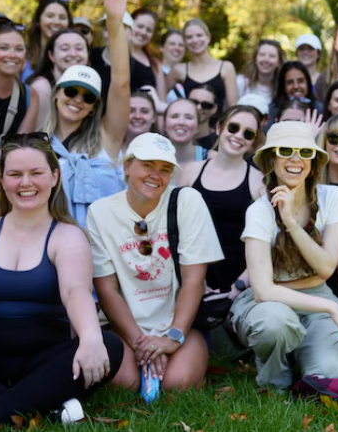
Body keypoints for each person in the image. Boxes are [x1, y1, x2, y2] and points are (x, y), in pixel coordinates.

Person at [0, 133, 123, 425]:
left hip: (45, 361)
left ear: (53, 176)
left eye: (36, 173)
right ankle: (45, 407)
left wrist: (90, 336)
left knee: (110, 345)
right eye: (15, 174)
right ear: (2, 181)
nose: (25, 183)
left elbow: (75, 291)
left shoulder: (67, 235)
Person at [230, 121, 338, 388]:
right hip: (269, 305)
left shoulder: (333, 197)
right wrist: (332, 305)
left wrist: (290, 221)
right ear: (271, 159)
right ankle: (274, 372)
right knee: (275, 324)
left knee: (331, 372)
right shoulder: (259, 211)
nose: (296, 159)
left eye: (305, 152)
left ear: (314, 161)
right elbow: (263, 292)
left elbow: (325, 268)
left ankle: (303, 354)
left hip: (315, 296)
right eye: (286, 151)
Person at [90, 133, 221, 391]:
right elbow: (106, 287)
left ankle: (187, 356)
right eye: (147, 165)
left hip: (180, 325)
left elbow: (194, 280)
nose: (156, 175)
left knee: (177, 384)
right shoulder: (100, 212)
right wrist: (142, 343)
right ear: (127, 167)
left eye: (164, 169)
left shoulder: (187, 201)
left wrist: (173, 337)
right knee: (124, 385)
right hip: (124, 327)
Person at [41, 0, 132, 227]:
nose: (78, 99)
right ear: (57, 93)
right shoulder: (39, 145)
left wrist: (114, 22)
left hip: (101, 253)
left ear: (94, 107)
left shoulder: (107, 139)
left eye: (88, 95)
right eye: (71, 91)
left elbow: (122, 84)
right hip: (50, 252)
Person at [179, 106, 264, 295]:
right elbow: (175, 230)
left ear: (253, 142)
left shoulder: (258, 183)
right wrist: (190, 283)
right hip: (190, 282)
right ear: (219, 127)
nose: (239, 136)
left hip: (238, 288)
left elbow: (266, 243)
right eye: (233, 127)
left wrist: (238, 287)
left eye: (248, 134)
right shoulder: (190, 171)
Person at [167, 18, 239, 112]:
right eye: (189, 37)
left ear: (208, 37)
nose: (195, 40)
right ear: (184, 41)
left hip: (217, 125)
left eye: (199, 35)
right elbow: (158, 98)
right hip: (190, 125)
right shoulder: (179, 70)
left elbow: (233, 108)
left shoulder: (226, 68)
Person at [27, 28, 88, 131]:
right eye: (64, 49)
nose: (73, 54)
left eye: (79, 48)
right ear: (51, 56)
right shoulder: (42, 88)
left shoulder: (90, 84)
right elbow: (39, 136)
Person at [0, 17, 38, 145]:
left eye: (19, 49)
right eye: (4, 48)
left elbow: (20, 150)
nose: (12, 55)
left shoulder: (30, 96)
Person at [25, 0, 72, 80]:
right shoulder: (24, 55)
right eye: (50, 16)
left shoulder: (74, 57)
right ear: (38, 21)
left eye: (62, 17)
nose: (57, 22)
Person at [129, 8, 166, 100]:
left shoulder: (155, 64)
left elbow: (162, 100)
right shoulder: (113, 54)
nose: (143, 32)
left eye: (149, 30)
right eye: (140, 26)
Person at [236, 40, 285, 107]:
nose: (266, 59)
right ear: (255, 58)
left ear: (279, 62)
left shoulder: (283, 88)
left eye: (272, 56)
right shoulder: (240, 83)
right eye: (262, 54)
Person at [163, 98, 207, 167]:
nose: (181, 122)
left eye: (188, 117)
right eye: (174, 117)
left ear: (198, 127)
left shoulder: (211, 159)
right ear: (164, 125)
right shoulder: (149, 156)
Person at [121, 91, 158, 156]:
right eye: (131, 111)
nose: (137, 116)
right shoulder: (107, 151)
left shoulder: (163, 153)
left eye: (144, 111)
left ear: (154, 117)